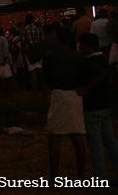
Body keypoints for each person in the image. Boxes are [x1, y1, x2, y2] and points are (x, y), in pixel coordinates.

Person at [42, 30, 87, 183]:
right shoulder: (79, 57)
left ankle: (53, 179)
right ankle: (80, 178)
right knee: (77, 136)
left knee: (54, 137)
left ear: (59, 40)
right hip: (75, 95)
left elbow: (46, 78)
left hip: (58, 94)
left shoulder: (50, 56)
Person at [78, 33, 118, 186]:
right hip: (105, 105)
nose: (80, 47)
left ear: (90, 46)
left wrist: (86, 88)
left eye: (82, 44)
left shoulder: (89, 62)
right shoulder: (103, 59)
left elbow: (99, 76)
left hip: (93, 106)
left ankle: (101, 178)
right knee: (110, 139)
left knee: (95, 143)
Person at [21, 14, 44, 95]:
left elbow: (23, 42)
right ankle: (43, 90)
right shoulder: (38, 29)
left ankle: (35, 92)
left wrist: (23, 54)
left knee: (33, 71)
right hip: (38, 50)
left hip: (30, 51)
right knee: (40, 70)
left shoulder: (24, 30)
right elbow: (42, 40)